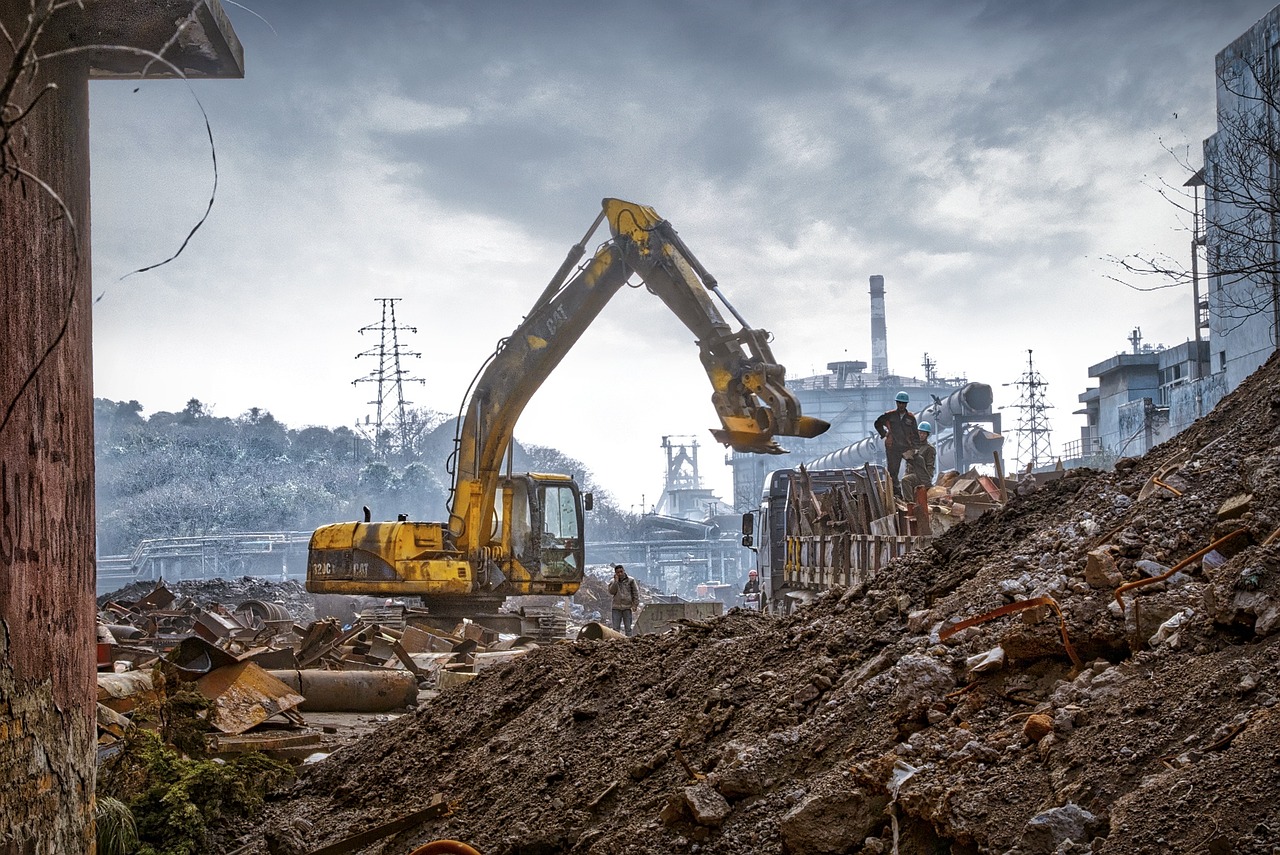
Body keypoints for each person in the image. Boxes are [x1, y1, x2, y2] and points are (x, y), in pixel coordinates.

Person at [873, 391, 919, 499]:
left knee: (917, 467)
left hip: (906, 448)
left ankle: (916, 492)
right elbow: (877, 423)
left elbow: (915, 435)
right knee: (893, 472)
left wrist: (915, 449)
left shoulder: (911, 418)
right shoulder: (889, 415)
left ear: (906, 404)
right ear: (897, 403)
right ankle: (897, 494)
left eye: (903, 403)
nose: (901, 405)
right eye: (899, 403)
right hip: (892, 447)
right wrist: (883, 434)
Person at [901, 421, 936, 499]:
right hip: (910, 473)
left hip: (920, 475)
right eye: (920, 433)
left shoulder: (929, 449)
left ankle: (909, 504)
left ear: (927, 435)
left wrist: (928, 480)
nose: (921, 435)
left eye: (924, 433)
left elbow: (930, 466)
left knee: (905, 480)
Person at [607, 564, 640, 636]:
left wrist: (635, 604)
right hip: (616, 607)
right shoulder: (612, 581)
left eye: (621, 571)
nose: (620, 574)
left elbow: (635, 593)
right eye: (618, 572)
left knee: (628, 628)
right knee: (615, 629)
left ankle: (629, 643)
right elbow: (611, 592)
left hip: (627, 607)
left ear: (624, 571)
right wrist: (616, 582)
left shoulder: (630, 580)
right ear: (615, 573)